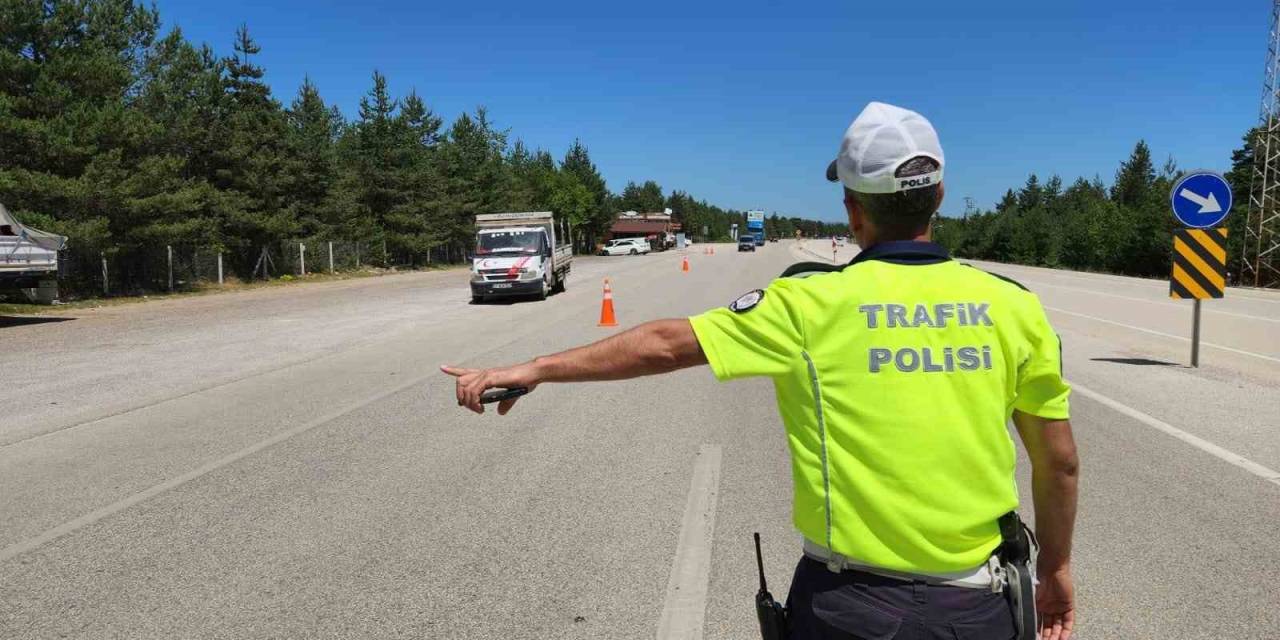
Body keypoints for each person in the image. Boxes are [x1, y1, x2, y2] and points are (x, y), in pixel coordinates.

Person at [443, 102, 1079, 640]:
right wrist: (1056, 568)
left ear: (854, 209)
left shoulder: (806, 303)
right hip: (978, 607)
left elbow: (665, 343)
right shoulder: (1013, 307)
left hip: (849, 608)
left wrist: (537, 368)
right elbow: (1058, 462)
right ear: (938, 196)